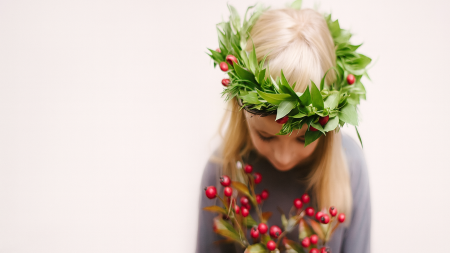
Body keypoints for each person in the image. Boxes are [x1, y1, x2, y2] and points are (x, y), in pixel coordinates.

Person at [196, 6, 371, 253]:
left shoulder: (349, 165)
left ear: (328, 129)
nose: (283, 156)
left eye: (303, 139)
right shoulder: (222, 170)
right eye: (265, 136)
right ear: (241, 112)